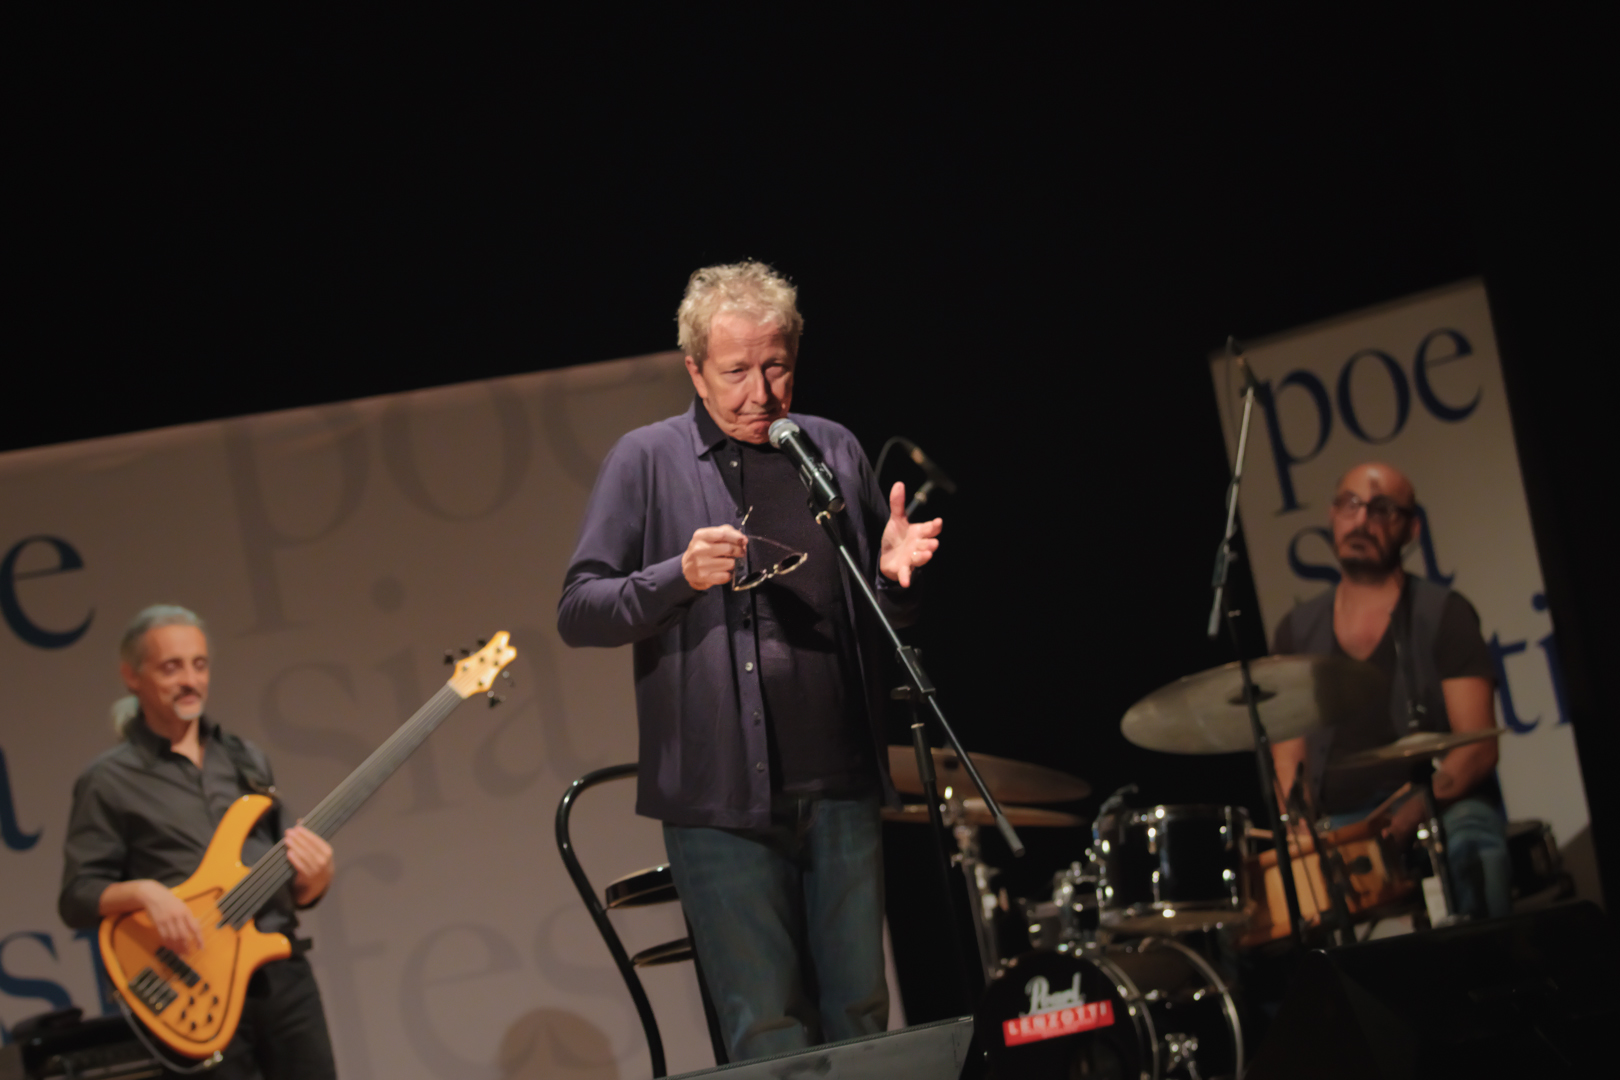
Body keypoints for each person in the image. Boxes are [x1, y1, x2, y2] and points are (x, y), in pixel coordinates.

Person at [557, 261, 942, 1061]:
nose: (761, 393)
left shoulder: (832, 449)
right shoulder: (647, 461)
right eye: (736, 372)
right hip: (719, 803)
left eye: (776, 367)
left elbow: (878, 619)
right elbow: (579, 609)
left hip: (839, 787)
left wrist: (895, 583)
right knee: (766, 1033)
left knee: (864, 1019)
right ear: (695, 371)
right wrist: (676, 576)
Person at [59, 605, 338, 1079]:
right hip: (196, 981)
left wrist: (317, 878)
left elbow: (291, 882)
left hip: (281, 974)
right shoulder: (109, 780)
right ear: (132, 675)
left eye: (199, 664)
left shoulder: (245, 759)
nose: (190, 680)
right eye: (172, 667)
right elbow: (78, 895)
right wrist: (146, 893)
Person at [1270, 463, 1510, 921]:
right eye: (1350, 505)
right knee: (1257, 906)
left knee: (1473, 846)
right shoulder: (1297, 632)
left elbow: (1477, 748)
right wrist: (1298, 833)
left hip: (1438, 808)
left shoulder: (1445, 614)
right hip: (1337, 823)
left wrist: (1409, 817)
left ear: (1411, 527)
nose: (1361, 522)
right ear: (1332, 515)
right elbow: (1288, 761)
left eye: (1382, 510)